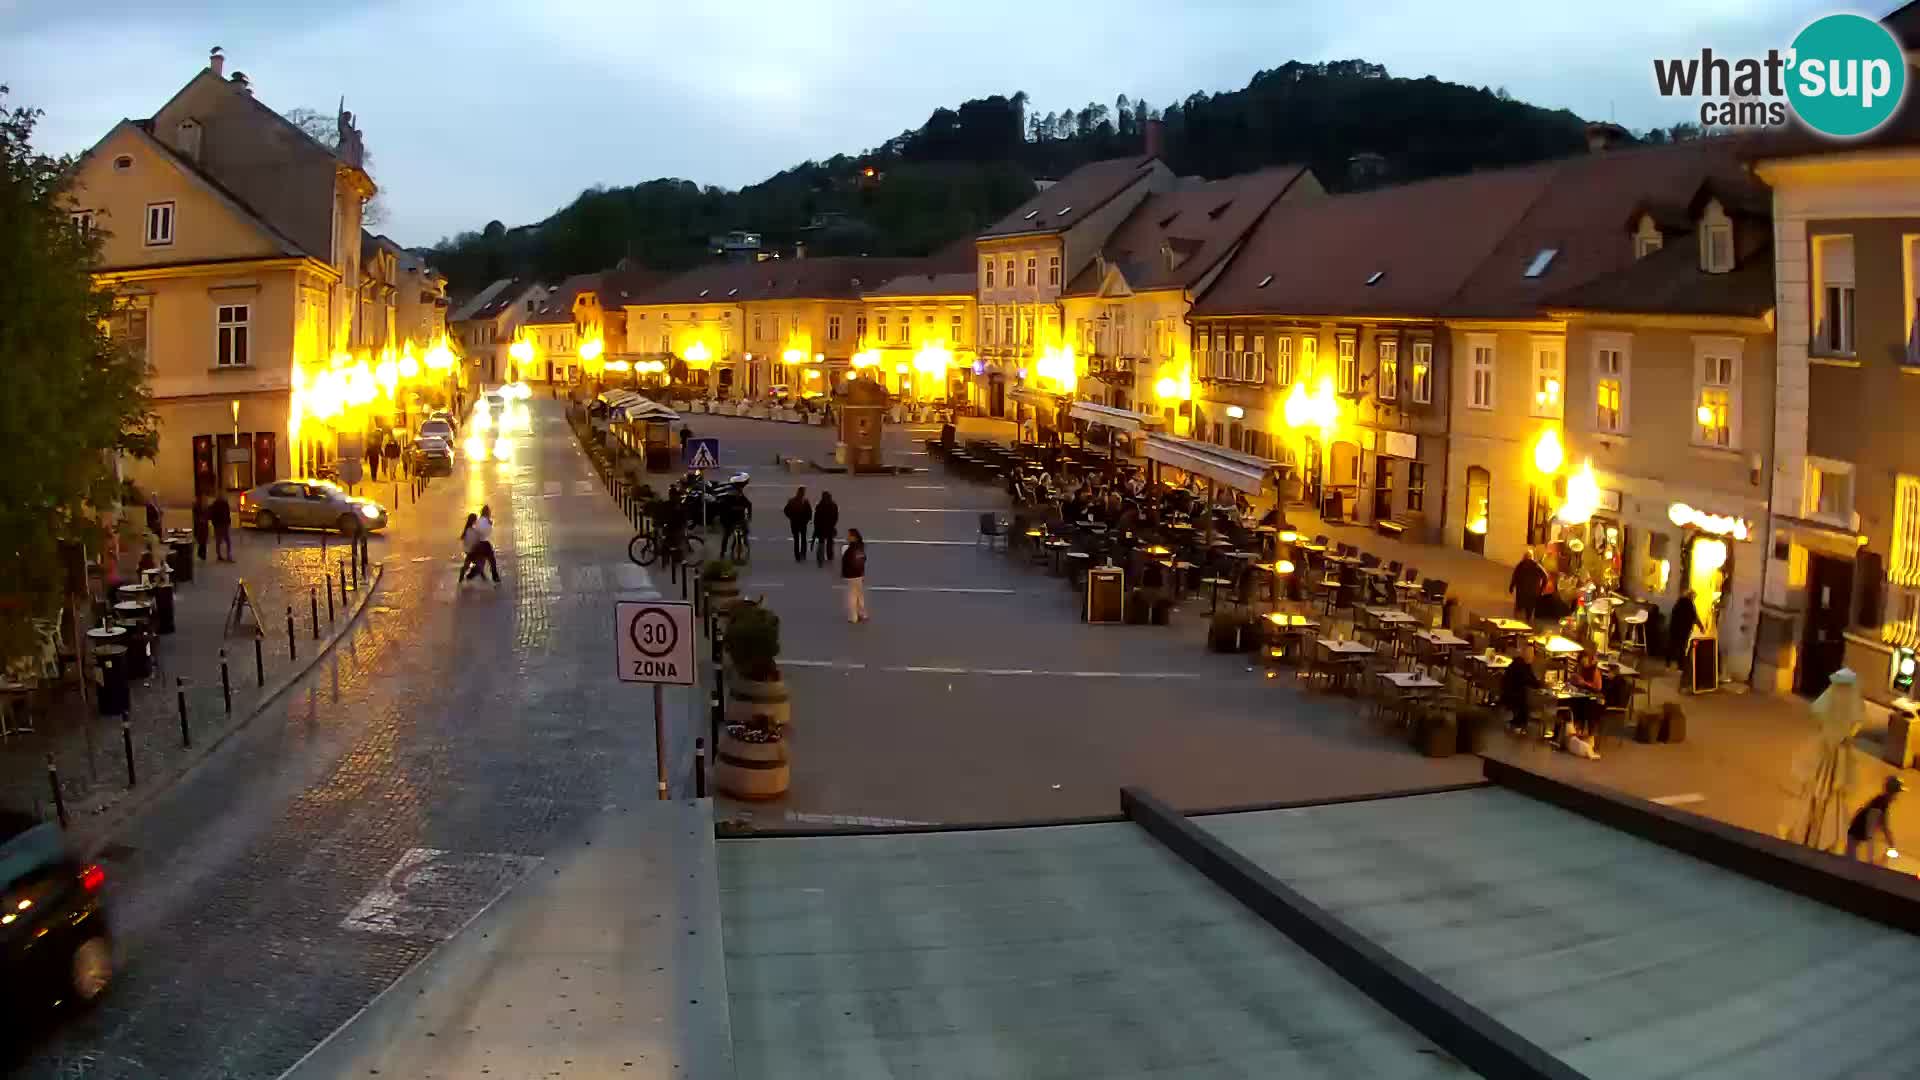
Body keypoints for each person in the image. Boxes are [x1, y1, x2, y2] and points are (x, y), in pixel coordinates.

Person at [1847, 776, 1905, 865]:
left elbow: (1884, 827)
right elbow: (1870, 831)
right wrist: (1871, 859)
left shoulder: (1881, 804)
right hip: (1856, 843)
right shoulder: (1878, 806)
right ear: (1892, 793)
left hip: (1857, 842)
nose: (1896, 798)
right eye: (1896, 794)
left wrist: (1891, 843)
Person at [1500, 642, 1544, 736]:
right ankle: (1519, 724)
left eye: (1532, 654)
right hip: (1511, 694)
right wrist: (1539, 685)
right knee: (1527, 698)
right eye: (1529, 653)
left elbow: (1531, 678)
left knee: (1527, 695)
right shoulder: (1519, 664)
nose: (1532, 656)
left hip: (1514, 692)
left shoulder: (1524, 664)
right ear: (1524, 653)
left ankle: (1518, 723)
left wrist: (1539, 684)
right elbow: (1527, 679)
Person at [1568, 652, 1605, 740]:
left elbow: (1598, 687)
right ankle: (1577, 728)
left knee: (1587, 703)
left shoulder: (1594, 670)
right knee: (1574, 701)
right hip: (1581, 694)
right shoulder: (1578, 668)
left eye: (1585, 659)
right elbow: (1572, 680)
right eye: (1582, 660)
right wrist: (1572, 684)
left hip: (1594, 696)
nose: (1584, 662)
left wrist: (1584, 683)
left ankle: (1590, 732)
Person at [463, 505, 500, 583]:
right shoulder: (486, 521)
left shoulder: (479, 520)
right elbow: (487, 533)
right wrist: (490, 524)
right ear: (487, 512)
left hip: (479, 544)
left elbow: (478, 531)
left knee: (481, 562)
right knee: (492, 560)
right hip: (485, 544)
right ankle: (495, 576)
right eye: (489, 512)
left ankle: (471, 575)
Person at [1668, 589, 1703, 670]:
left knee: (1672, 645)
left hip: (1674, 627)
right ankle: (1680, 666)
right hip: (1684, 629)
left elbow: (1674, 614)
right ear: (1691, 596)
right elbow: (1694, 617)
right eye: (1694, 597)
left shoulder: (1679, 602)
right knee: (1682, 647)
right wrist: (1701, 626)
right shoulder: (1690, 604)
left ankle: (1668, 663)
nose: (1694, 599)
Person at [1508, 548, 1546, 623]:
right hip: (1532, 593)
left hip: (1522, 593)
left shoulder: (1521, 565)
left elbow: (1515, 576)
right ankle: (1527, 624)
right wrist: (1541, 589)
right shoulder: (1536, 566)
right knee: (1529, 612)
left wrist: (1511, 587)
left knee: (1519, 611)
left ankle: (1518, 625)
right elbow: (1545, 577)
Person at [841, 528, 869, 623]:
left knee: (852, 596)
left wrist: (844, 574)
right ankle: (862, 613)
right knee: (859, 595)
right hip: (859, 573)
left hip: (851, 575)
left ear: (853, 537)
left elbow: (844, 562)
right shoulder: (861, 547)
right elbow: (864, 559)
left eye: (849, 535)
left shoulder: (847, 548)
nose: (847, 537)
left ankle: (853, 617)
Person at [784, 487, 813, 562]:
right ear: (803, 493)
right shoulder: (805, 501)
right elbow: (809, 512)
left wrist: (791, 517)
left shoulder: (792, 501)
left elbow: (786, 510)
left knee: (796, 540)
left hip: (794, 523)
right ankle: (803, 554)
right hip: (803, 523)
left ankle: (797, 556)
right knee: (803, 539)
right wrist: (807, 519)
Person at [813, 491, 840, 567]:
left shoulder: (820, 505)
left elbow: (816, 518)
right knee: (829, 542)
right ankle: (830, 556)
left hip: (821, 527)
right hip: (829, 527)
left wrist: (816, 527)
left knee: (822, 543)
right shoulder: (833, 505)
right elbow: (836, 517)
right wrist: (833, 524)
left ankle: (820, 558)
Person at [209, 490, 233, 562]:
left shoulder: (220, 503)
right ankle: (224, 555)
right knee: (223, 540)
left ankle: (223, 556)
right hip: (221, 524)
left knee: (222, 541)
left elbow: (227, 513)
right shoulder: (218, 504)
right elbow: (213, 515)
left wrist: (228, 522)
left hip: (222, 524)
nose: (221, 496)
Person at [192, 493, 211, 561]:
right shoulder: (196, 506)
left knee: (204, 540)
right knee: (201, 540)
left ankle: (202, 554)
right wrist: (199, 519)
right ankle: (201, 554)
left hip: (204, 526)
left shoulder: (206, 507)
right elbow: (195, 516)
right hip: (199, 526)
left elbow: (209, 515)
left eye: (205, 499)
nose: (205, 500)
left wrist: (206, 518)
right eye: (204, 499)